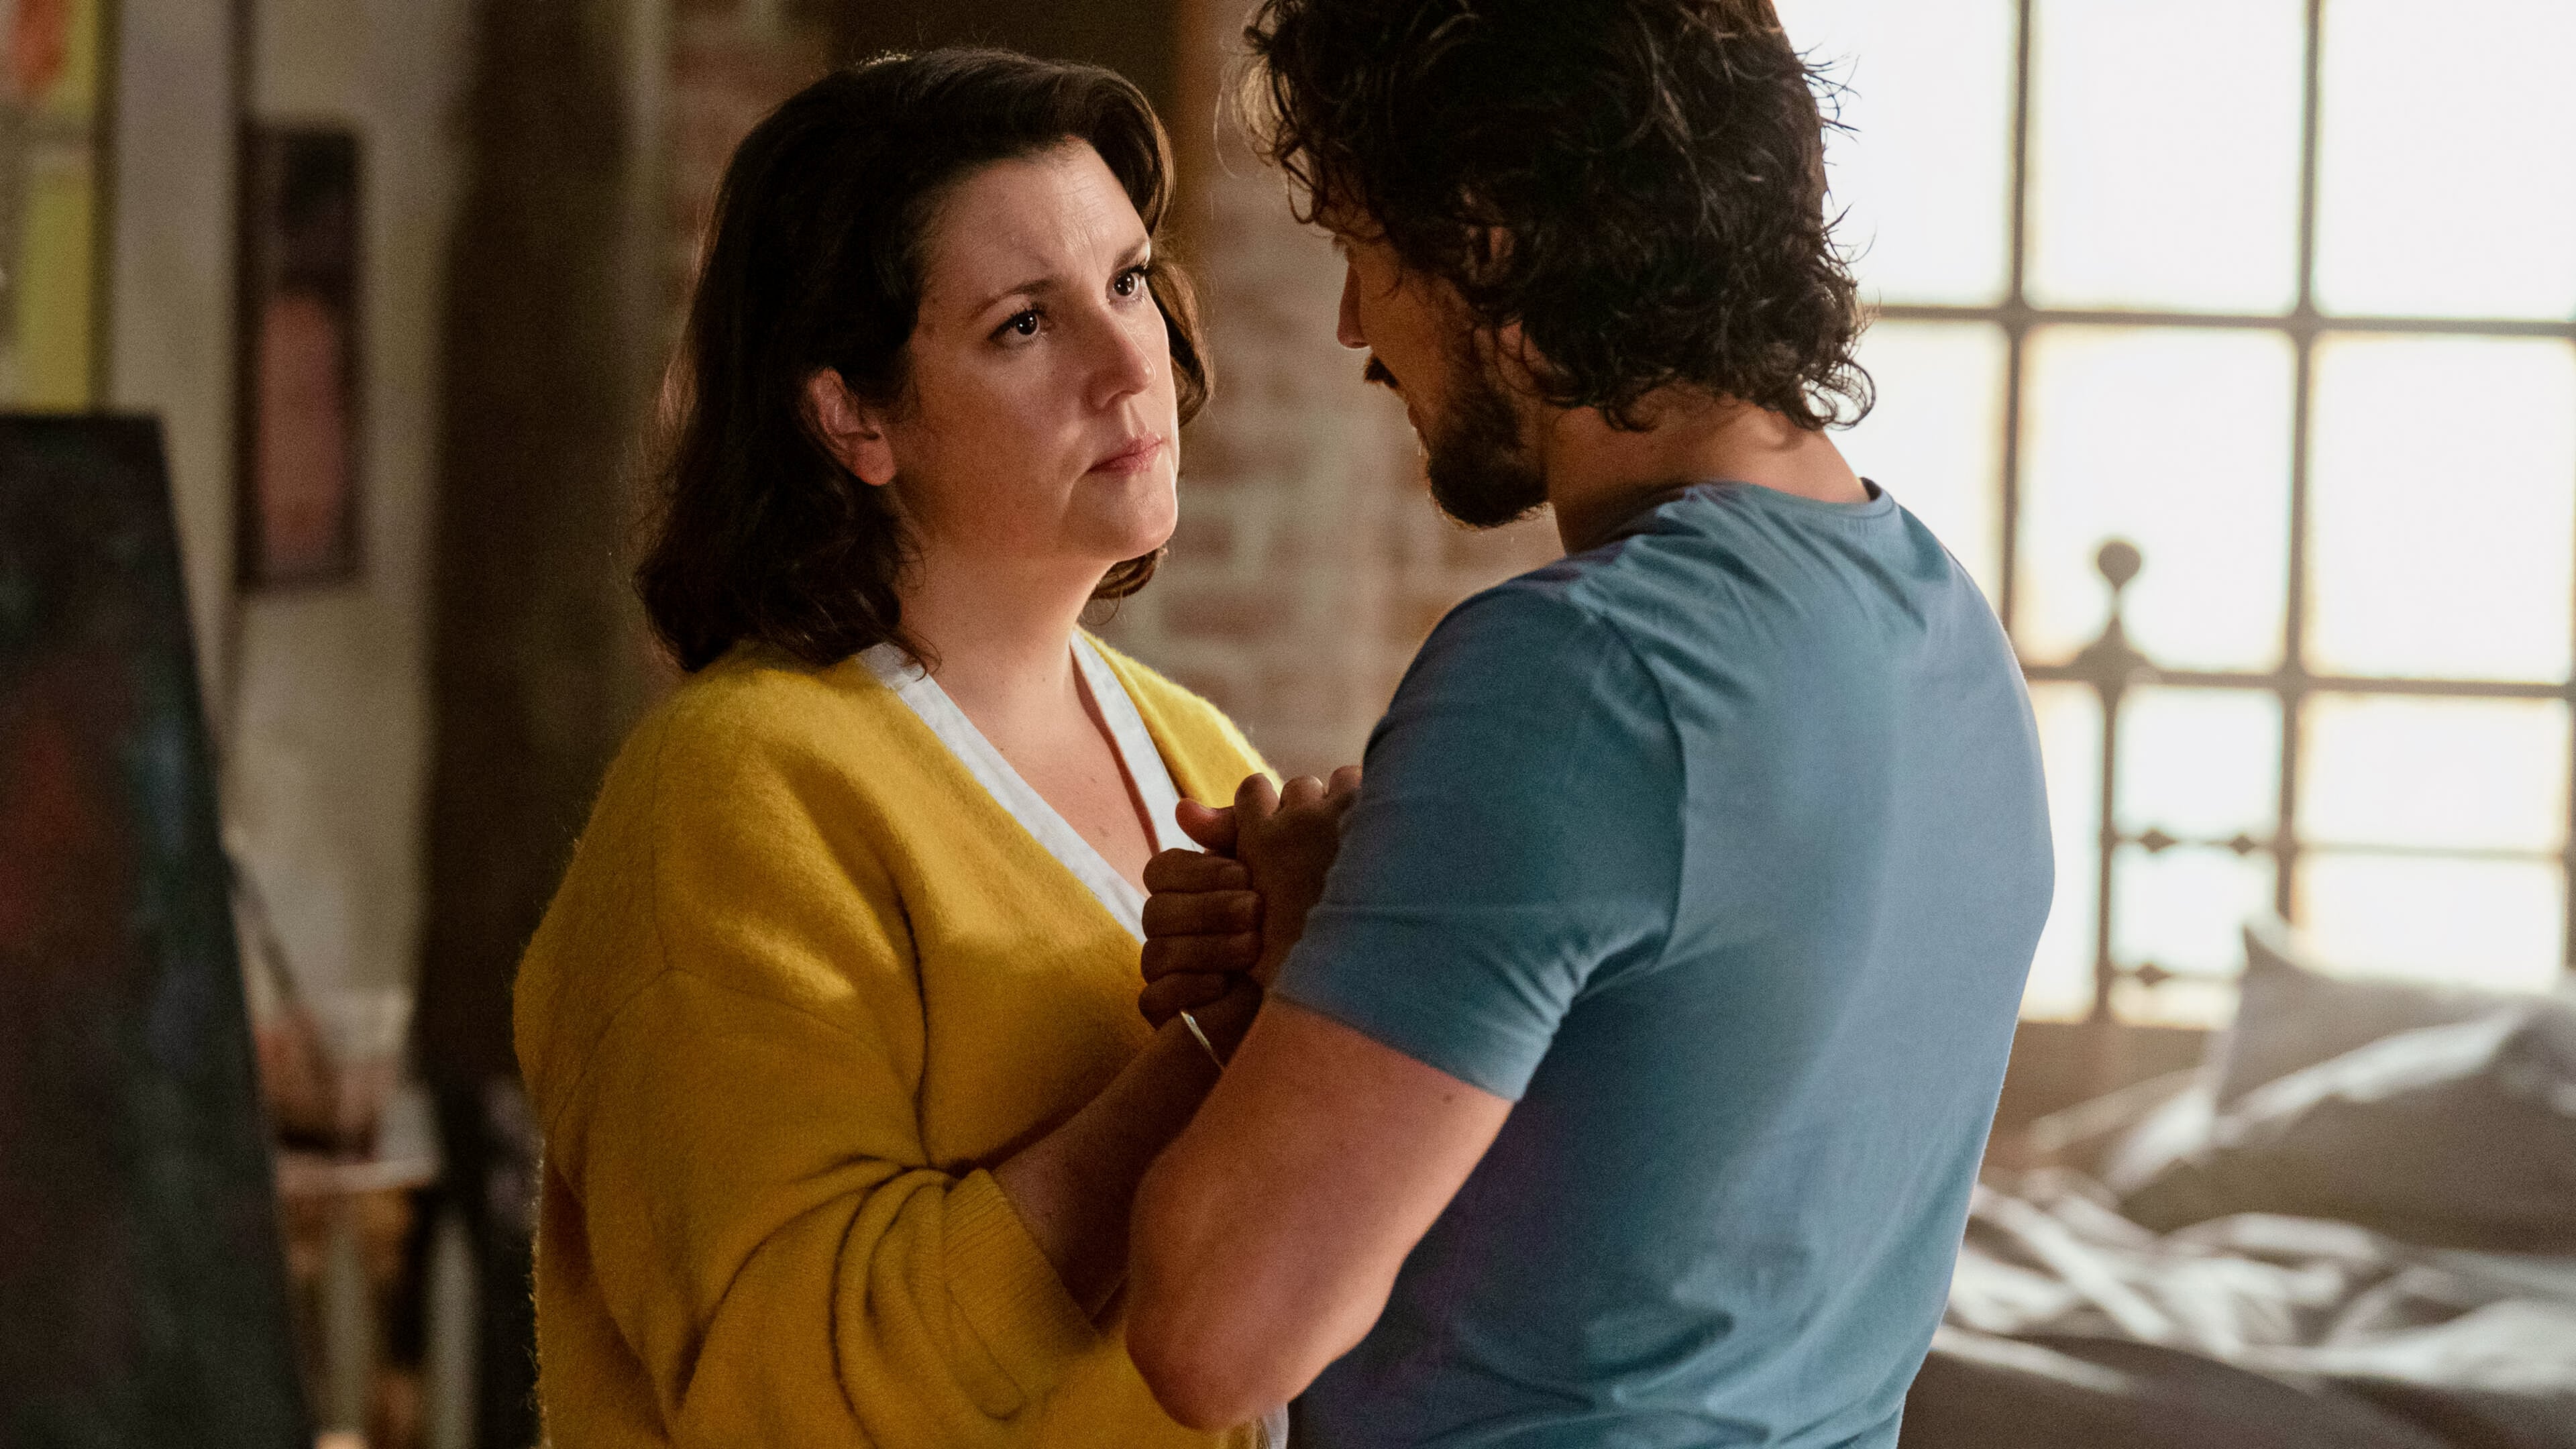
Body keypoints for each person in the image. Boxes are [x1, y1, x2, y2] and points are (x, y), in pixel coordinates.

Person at [1122, 2, 2055, 1444]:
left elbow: (1216, 1337)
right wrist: (1349, 948)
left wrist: (1292, 964)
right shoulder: (1947, 629)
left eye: (1366, 251)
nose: (1355, 323)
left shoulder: (1581, 672)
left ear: (1488, 239)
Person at [513, 50, 1282, 1448]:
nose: (1133, 364)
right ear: (853, 417)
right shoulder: (735, 791)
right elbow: (795, 1394)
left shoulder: (1198, 752)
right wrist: (1221, 1039)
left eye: (1128, 282)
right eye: (1023, 325)